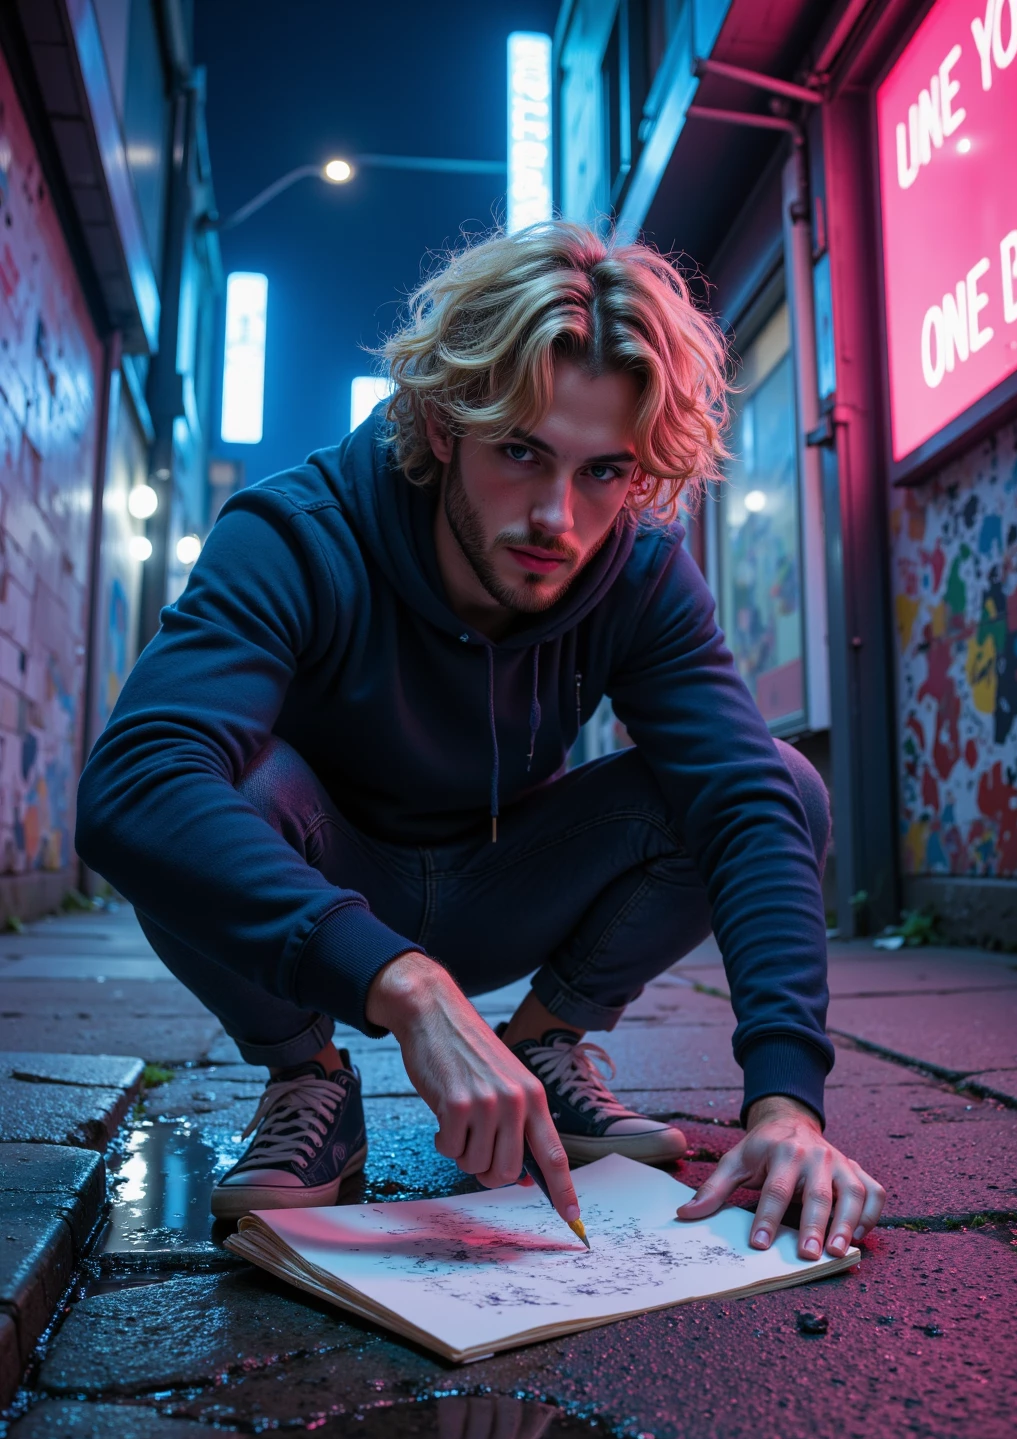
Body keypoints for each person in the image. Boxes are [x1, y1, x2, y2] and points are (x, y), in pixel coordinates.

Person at [76, 222, 885, 1263]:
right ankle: (307, 1076)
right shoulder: (295, 533)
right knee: (203, 790)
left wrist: (786, 1105)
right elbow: (130, 786)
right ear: (443, 422)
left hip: (506, 883)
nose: (558, 518)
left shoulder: (639, 575)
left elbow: (745, 805)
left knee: (778, 783)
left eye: (605, 473)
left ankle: (543, 1045)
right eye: (520, 452)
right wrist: (401, 984)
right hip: (328, 890)